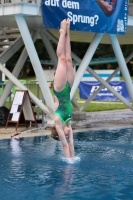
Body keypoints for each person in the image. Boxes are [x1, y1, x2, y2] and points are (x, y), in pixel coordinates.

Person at [51, 19, 75, 159]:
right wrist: (74, 158)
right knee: (69, 59)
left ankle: (62, 32)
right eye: (66, 135)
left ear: (58, 132)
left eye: (63, 135)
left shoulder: (58, 121)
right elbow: (71, 144)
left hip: (60, 89)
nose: (66, 134)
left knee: (61, 59)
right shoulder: (69, 123)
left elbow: (65, 145)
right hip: (69, 88)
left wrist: (69, 162)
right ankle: (68, 32)